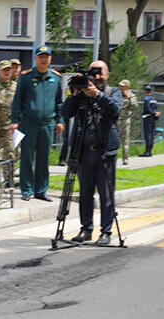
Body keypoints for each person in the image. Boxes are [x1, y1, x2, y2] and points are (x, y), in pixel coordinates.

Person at [62, 60, 122, 246]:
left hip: (105, 152)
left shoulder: (113, 92)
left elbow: (115, 110)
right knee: (85, 194)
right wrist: (75, 94)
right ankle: (86, 229)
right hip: (84, 152)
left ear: (107, 74)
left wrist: (98, 95)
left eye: (100, 72)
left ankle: (106, 232)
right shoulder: (81, 95)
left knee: (106, 194)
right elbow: (66, 113)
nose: (96, 77)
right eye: (93, 72)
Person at [10, 45, 64, 201]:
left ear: (50, 59)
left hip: (48, 124)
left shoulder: (55, 78)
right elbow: (17, 100)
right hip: (28, 123)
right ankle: (26, 189)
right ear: (35, 58)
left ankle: (41, 190)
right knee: (27, 157)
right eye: (40, 56)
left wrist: (59, 120)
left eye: (46, 57)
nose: (43, 59)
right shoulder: (26, 77)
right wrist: (15, 121)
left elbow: (59, 102)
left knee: (43, 158)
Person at [117, 79, 137, 165]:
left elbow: (135, 106)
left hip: (125, 120)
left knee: (125, 140)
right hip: (117, 119)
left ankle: (125, 159)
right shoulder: (117, 94)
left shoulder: (131, 95)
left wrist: (128, 97)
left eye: (122, 86)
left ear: (127, 87)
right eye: (120, 86)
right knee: (115, 139)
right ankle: (114, 157)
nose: (120, 87)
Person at [139, 84, 159, 157]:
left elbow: (147, 109)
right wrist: (155, 114)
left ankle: (147, 152)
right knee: (151, 134)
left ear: (145, 91)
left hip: (147, 117)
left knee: (147, 134)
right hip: (153, 118)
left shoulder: (146, 99)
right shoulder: (154, 99)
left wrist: (152, 113)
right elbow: (156, 109)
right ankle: (150, 151)